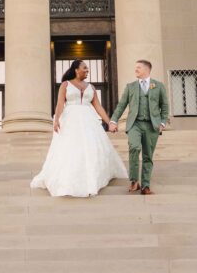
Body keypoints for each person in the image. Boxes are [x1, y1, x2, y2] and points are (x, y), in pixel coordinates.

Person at [30, 59, 128, 197]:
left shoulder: (91, 87)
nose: (87, 71)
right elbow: (59, 104)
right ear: (76, 69)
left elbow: (98, 107)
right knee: (71, 147)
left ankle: (92, 177)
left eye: (88, 69)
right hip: (70, 120)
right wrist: (56, 120)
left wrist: (110, 122)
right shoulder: (65, 85)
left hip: (89, 120)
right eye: (85, 68)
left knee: (90, 147)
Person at [110, 59, 170, 195]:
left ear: (147, 69)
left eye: (138, 67)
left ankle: (146, 185)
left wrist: (162, 123)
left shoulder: (159, 86)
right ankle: (134, 181)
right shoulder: (130, 86)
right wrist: (114, 120)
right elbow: (121, 105)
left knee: (148, 156)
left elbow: (165, 106)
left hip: (152, 125)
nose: (136, 70)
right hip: (134, 124)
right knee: (134, 148)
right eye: (135, 67)